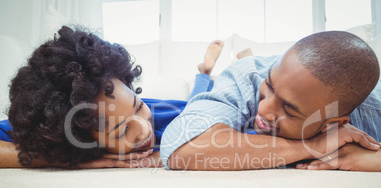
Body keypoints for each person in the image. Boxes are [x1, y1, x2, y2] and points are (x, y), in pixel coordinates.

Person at [160, 31, 381, 171]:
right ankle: (209, 70)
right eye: (270, 86)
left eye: (289, 109)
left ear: (331, 123)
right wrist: (314, 145)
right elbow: (180, 146)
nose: (263, 110)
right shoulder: (246, 78)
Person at [0, 26, 224, 168]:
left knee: (199, 101)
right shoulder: (56, 129)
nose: (145, 131)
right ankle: (203, 72)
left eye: (138, 107)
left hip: (178, 111)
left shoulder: (172, 122)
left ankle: (204, 72)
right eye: (122, 131)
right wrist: (73, 161)